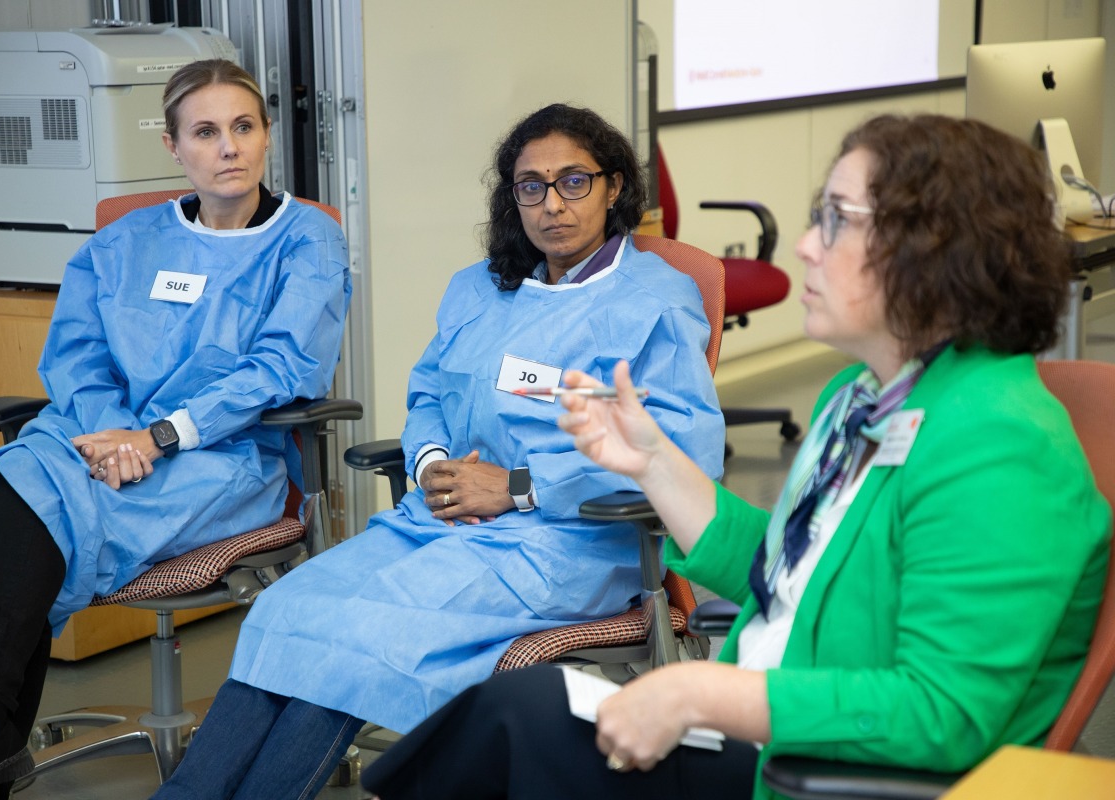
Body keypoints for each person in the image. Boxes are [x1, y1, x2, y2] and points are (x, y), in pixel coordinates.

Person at [359, 113, 1113, 800]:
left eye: (836, 221)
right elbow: (790, 562)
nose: (806, 246)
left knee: (516, 723)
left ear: (938, 250)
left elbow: (941, 715)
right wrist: (653, 461)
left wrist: (701, 695)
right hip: (768, 728)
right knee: (515, 713)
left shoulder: (1001, 445)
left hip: (824, 772)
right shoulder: (860, 394)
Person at [149, 102, 726, 799]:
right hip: (441, 521)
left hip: (565, 544)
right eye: (532, 186)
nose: (553, 204)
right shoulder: (481, 289)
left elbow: (684, 450)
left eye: (574, 181)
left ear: (614, 187)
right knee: (288, 607)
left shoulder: (656, 301)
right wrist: (430, 467)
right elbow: (429, 395)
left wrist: (517, 486)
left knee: (364, 633)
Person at [0, 59, 351, 800]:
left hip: (224, 454)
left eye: (244, 127)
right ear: (173, 147)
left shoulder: (307, 240)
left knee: (52, 504)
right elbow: (78, 355)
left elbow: (281, 367)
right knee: (23, 469)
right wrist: (117, 433)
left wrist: (160, 437)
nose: (229, 147)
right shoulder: (125, 242)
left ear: (267, 134)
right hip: (104, 438)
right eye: (205, 132)